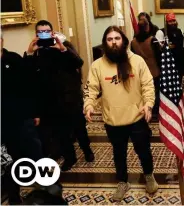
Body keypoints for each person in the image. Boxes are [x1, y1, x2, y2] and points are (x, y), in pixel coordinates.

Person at [83, 26, 158, 201]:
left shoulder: (137, 61)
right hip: (113, 120)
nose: (114, 42)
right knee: (119, 153)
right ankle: (122, 182)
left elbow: (148, 85)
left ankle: (149, 176)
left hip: (137, 117)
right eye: (110, 39)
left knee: (144, 150)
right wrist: (88, 105)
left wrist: (148, 104)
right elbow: (91, 89)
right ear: (105, 43)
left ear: (123, 40)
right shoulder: (97, 66)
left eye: (117, 38)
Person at [24, 20, 89, 171]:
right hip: (51, 101)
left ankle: (87, 150)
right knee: (61, 132)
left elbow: (78, 62)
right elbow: (28, 74)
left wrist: (62, 49)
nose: (44, 34)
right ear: (36, 34)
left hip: (70, 97)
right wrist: (29, 53)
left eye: (47, 31)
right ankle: (69, 158)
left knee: (79, 128)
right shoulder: (36, 52)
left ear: (52, 32)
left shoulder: (63, 45)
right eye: (41, 32)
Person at [1, 33, 44, 204]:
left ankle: (47, 187)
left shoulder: (14, 59)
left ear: (1, 40)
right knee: (9, 161)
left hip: (23, 119)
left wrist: (35, 113)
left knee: (36, 152)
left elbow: (29, 85)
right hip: (3, 124)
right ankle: (13, 197)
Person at [131, 18, 162, 116]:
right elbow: (159, 56)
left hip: (140, 72)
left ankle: (144, 110)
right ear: (147, 27)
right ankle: (155, 112)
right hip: (154, 71)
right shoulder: (152, 40)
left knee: (142, 92)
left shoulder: (133, 42)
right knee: (155, 92)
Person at [155, 13, 184, 80]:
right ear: (166, 22)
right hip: (168, 64)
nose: (172, 23)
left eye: (173, 21)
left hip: (180, 63)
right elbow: (158, 48)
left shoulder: (180, 31)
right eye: (170, 21)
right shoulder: (160, 32)